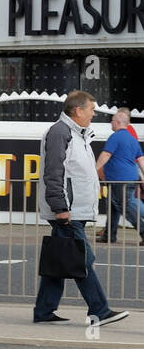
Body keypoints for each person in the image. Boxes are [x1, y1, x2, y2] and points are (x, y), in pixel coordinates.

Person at [34, 90, 129, 326]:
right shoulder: (60, 132)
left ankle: (44, 311)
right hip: (68, 210)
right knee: (81, 258)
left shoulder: (78, 134)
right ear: (78, 110)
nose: (94, 113)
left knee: (62, 258)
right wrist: (60, 207)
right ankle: (99, 310)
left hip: (74, 209)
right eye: (91, 109)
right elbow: (53, 173)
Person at [96, 108, 144, 244]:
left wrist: (94, 169)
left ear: (117, 122)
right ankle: (109, 235)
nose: (111, 123)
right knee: (112, 206)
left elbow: (106, 155)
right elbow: (141, 159)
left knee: (124, 207)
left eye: (112, 121)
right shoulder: (132, 139)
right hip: (128, 178)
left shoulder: (115, 137)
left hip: (119, 179)